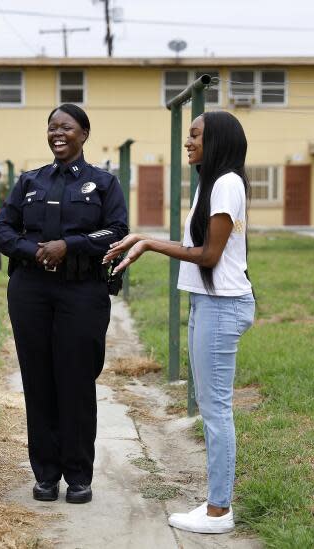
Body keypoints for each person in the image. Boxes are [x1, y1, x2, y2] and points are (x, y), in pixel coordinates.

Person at [104, 111, 255, 534]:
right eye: (187, 136)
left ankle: (219, 511)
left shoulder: (224, 184)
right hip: (210, 303)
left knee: (216, 409)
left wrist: (150, 244)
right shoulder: (212, 182)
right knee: (212, 406)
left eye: (195, 136)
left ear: (218, 141)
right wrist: (141, 238)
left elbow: (209, 255)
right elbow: (199, 247)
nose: (187, 143)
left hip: (222, 305)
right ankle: (215, 503)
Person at [0, 103, 128, 504]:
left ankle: (79, 475)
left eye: (66, 127)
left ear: (83, 133)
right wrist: (34, 251)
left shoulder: (104, 183)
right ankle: (46, 475)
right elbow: (1, 228)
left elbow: (117, 231)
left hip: (81, 293)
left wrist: (68, 246)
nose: (58, 133)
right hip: (31, 291)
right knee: (39, 383)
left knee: (77, 381)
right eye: (52, 127)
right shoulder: (29, 181)